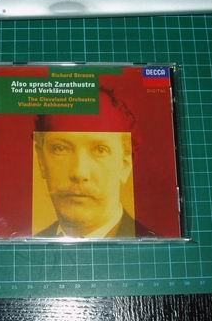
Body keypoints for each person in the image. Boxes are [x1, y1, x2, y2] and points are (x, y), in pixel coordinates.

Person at [33, 87, 154, 238]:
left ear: (125, 164)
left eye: (100, 150)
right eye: (60, 148)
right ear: (41, 160)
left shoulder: (153, 243)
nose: (79, 172)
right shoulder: (29, 243)